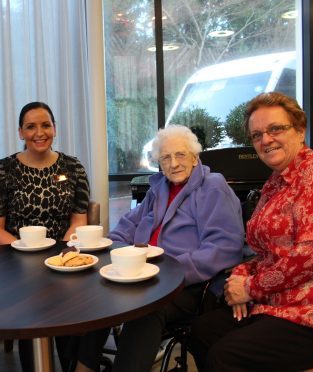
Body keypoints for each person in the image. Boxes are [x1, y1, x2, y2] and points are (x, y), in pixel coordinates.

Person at [189, 92, 313, 371]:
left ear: (300, 130)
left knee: (226, 355)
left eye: (276, 129)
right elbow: (267, 251)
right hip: (291, 298)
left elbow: (312, 253)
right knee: (203, 330)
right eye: (257, 135)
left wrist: (251, 288)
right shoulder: (276, 184)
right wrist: (243, 274)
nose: (265, 140)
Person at [83, 124, 244, 372]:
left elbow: (225, 247)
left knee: (146, 309)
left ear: (194, 157)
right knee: (99, 291)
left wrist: (169, 271)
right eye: (166, 157)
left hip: (188, 284)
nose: (174, 163)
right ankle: (83, 366)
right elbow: (126, 226)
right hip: (141, 274)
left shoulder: (213, 187)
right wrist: (118, 251)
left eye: (180, 155)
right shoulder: (159, 188)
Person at [0, 101, 90, 371]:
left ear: (54, 129)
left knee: (75, 298)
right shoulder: (4, 170)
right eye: (31, 126)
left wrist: (62, 256)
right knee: (30, 302)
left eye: (45, 125)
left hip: (61, 255)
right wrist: (27, 251)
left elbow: (78, 220)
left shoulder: (73, 167)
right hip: (15, 259)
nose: (39, 132)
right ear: (21, 132)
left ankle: (72, 365)